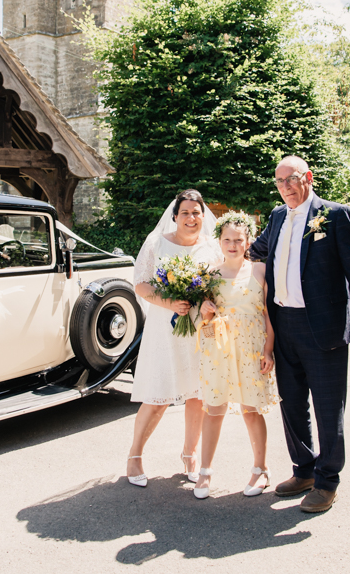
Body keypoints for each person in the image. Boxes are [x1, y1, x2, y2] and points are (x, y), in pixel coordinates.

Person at [249, 156, 350, 513]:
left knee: (327, 407)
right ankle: (303, 470)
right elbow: (255, 250)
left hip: (323, 327)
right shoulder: (276, 217)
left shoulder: (335, 215)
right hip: (282, 325)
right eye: (279, 182)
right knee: (291, 404)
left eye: (291, 179)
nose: (285, 187)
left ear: (308, 177)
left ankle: (327, 480)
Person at [126, 190, 223, 487]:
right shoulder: (157, 243)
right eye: (185, 213)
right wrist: (169, 303)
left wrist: (208, 304)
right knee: (157, 397)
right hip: (164, 327)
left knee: (197, 395)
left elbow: (221, 285)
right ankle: (134, 456)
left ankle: (190, 454)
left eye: (196, 212)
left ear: (203, 216)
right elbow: (140, 284)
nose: (191, 218)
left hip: (198, 329)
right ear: (175, 216)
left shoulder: (212, 246)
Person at [193, 212, 277, 499]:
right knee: (213, 409)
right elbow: (199, 321)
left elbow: (269, 315)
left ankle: (260, 469)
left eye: (238, 240)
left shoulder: (260, 271)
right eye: (227, 239)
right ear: (219, 242)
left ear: (247, 241)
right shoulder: (210, 275)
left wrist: (269, 351)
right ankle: (204, 472)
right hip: (218, 351)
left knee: (251, 409)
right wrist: (203, 313)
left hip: (252, 348)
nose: (232, 244)